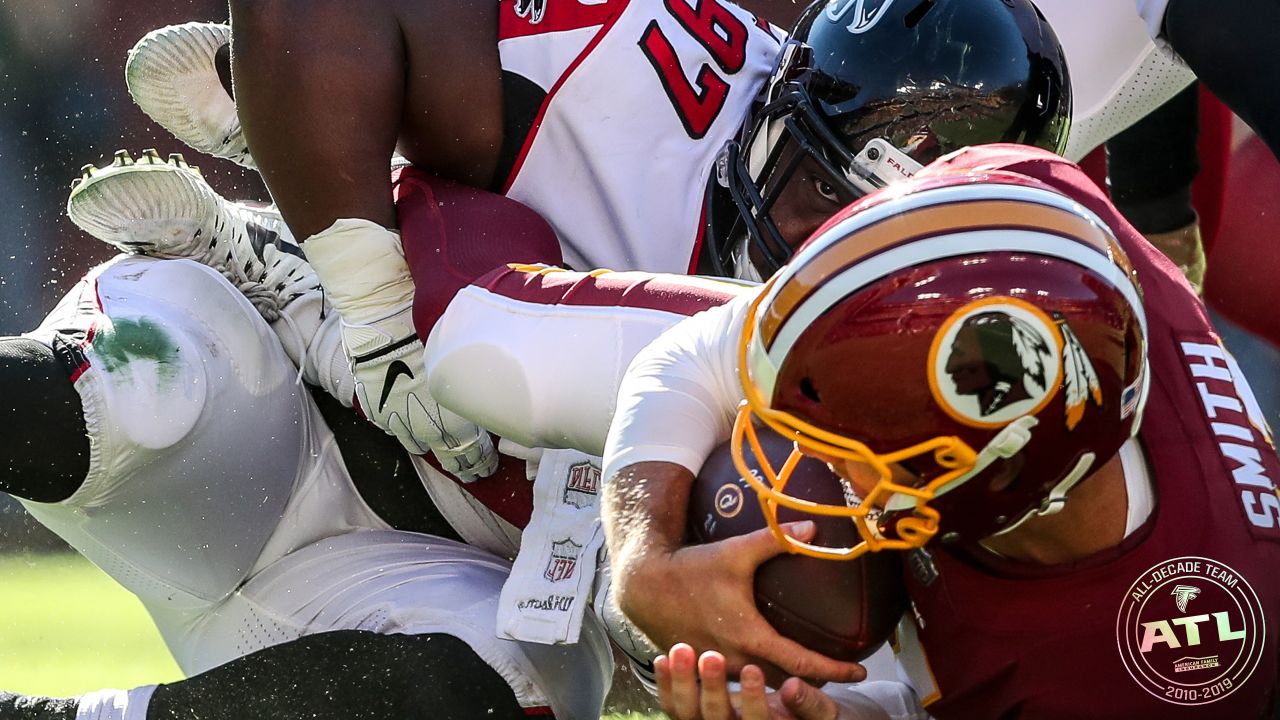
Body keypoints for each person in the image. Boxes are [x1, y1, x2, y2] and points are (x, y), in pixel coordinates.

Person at [120, 0, 1193, 463]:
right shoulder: (609, 84)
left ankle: (318, 188)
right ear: (779, 117)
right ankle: (327, 272)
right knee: (465, 360)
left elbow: (1176, 37)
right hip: (505, 323)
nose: (829, 244)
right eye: (819, 195)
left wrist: (1159, 214)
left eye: (879, 229)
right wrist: (370, 303)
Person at [594, 145, 1280, 717]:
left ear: (999, 476)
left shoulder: (1166, 668)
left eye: (858, 451)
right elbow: (690, 354)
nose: (812, 457)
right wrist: (641, 556)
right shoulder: (1021, 201)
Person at [0, 153, 614, 720]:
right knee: (145, 388)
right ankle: (293, 266)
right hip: (265, 373)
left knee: (511, 685)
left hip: (447, 592)